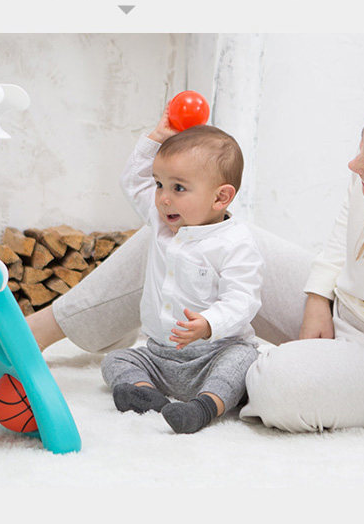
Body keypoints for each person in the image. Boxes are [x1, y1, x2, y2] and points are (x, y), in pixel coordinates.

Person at [27, 84, 364, 483]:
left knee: (281, 386)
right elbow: (345, 229)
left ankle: (218, 381)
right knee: (182, 228)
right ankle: (33, 334)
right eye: (361, 146)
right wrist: (318, 295)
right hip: (343, 308)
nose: (354, 167)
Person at [101, 122, 263, 434]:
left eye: (178, 188)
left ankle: (204, 407)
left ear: (221, 197)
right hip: (160, 354)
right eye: (159, 184)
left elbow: (243, 299)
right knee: (115, 360)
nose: (163, 198)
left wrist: (209, 323)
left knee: (244, 362)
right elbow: (132, 182)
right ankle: (147, 395)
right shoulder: (162, 223)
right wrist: (154, 139)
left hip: (215, 353)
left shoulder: (235, 243)